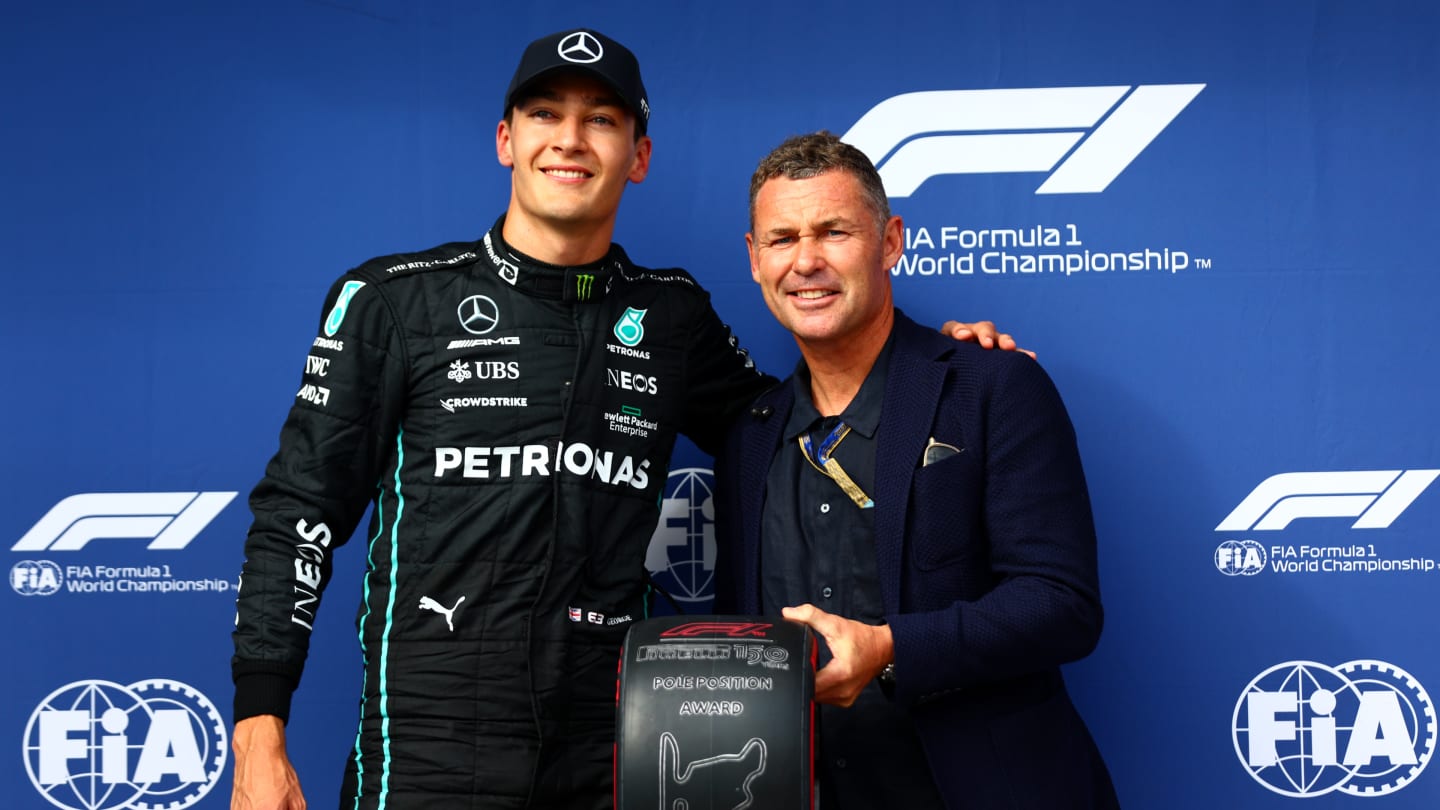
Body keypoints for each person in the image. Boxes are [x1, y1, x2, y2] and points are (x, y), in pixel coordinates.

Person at [229, 30, 1016, 810]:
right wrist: (260, 728)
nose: (570, 139)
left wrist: (931, 367)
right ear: (507, 140)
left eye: (602, 119)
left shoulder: (670, 315)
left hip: (613, 745)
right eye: (545, 114)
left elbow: (797, 429)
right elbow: (297, 512)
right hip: (430, 745)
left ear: (638, 156)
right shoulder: (395, 302)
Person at [713, 131, 1120, 809]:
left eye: (834, 231)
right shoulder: (749, 435)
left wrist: (890, 646)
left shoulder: (992, 387)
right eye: (782, 239)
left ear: (891, 241)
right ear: (755, 260)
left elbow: (1062, 604)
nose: (806, 260)